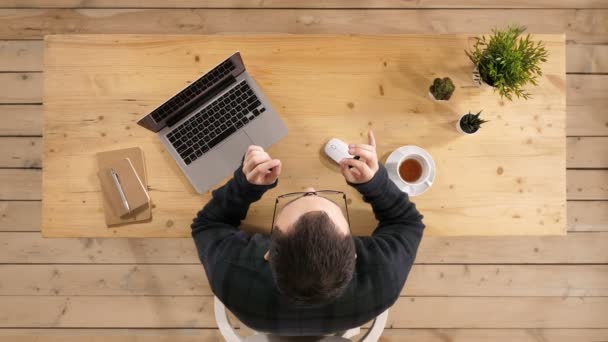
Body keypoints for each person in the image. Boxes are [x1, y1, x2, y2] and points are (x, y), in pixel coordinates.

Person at [191, 130, 425, 336]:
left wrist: (245, 187)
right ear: (353, 254)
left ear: (269, 254)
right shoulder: (385, 280)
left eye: (295, 201)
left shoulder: (230, 276)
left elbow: (207, 225)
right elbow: (408, 222)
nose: (309, 189)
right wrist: (375, 185)